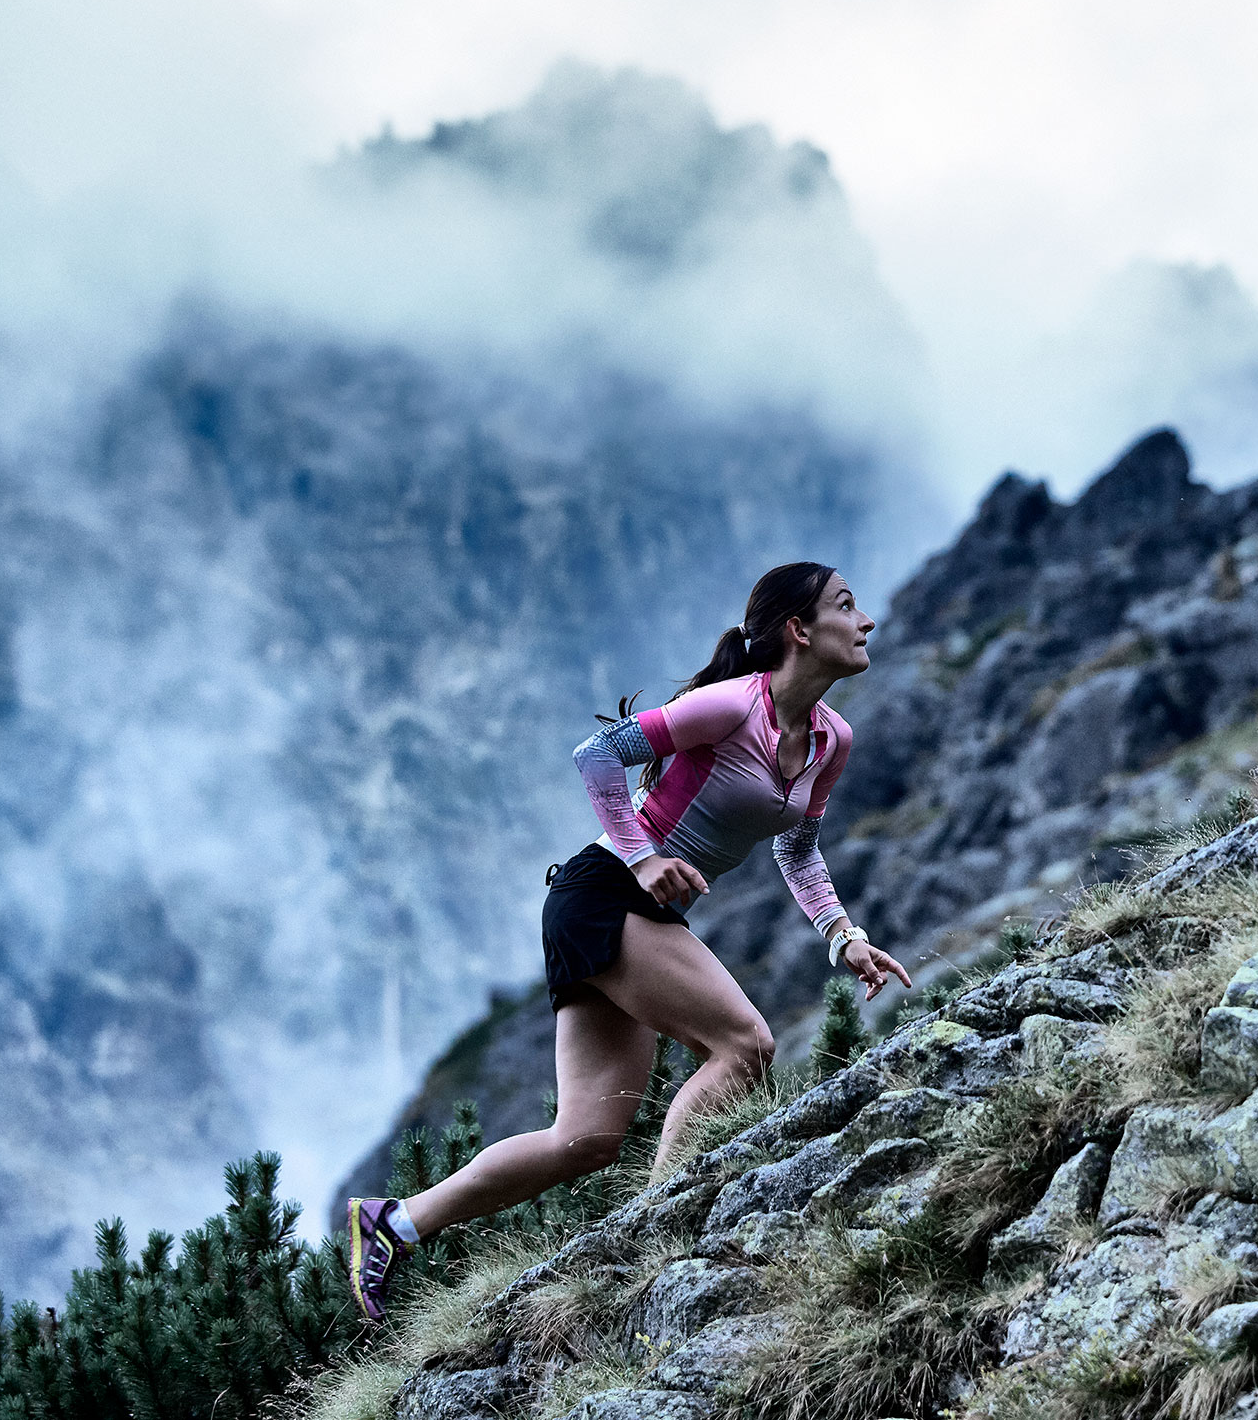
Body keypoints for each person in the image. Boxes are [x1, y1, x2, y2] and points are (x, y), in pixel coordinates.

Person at [342, 561, 912, 1322]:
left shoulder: (830, 740)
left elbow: (797, 850)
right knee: (745, 1044)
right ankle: (655, 1241)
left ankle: (394, 1223)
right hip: (603, 891)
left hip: (633, 908)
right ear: (799, 631)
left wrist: (844, 936)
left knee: (585, 1138)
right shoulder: (731, 707)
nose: (866, 620)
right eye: (848, 606)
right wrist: (644, 857)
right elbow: (598, 752)